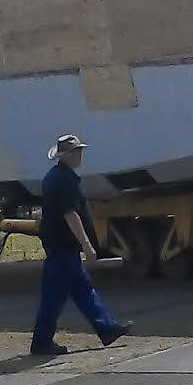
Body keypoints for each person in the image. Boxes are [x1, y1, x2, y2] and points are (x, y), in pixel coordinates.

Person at [31, 134, 131, 356]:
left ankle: (106, 328)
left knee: (83, 289)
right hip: (62, 246)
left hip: (62, 246)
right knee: (53, 297)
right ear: (68, 155)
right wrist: (86, 244)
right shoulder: (64, 180)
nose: (80, 155)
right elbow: (70, 215)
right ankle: (41, 342)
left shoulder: (56, 176)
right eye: (77, 151)